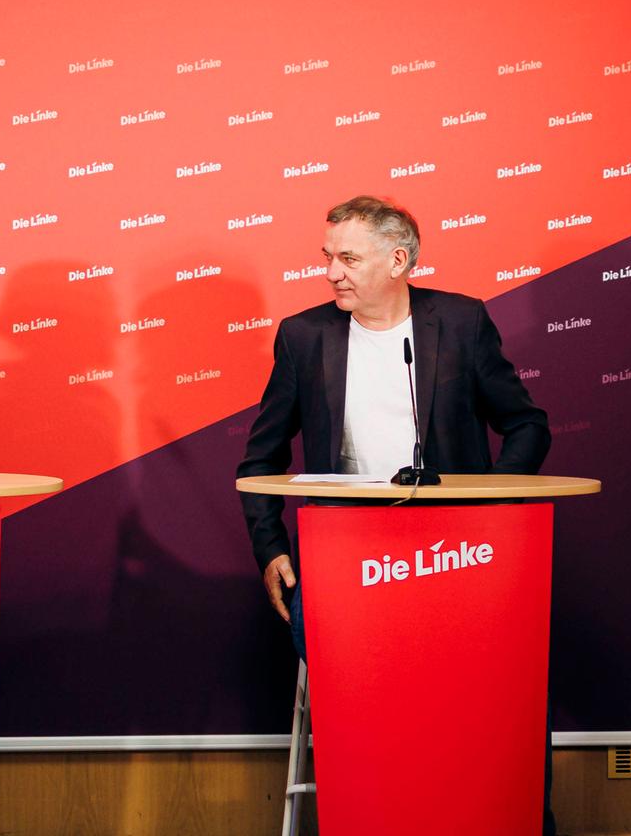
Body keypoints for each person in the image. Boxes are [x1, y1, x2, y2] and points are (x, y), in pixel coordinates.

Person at [236, 194, 556, 831]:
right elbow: (261, 456)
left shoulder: (461, 323)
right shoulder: (304, 337)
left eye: (348, 258)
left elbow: (527, 425)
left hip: (457, 551)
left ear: (398, 260)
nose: (331, 272)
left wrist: (488, 503)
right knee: (367, 692)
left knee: (497, 687)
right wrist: (271, 548)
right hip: (342, 559)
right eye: (327, 257)